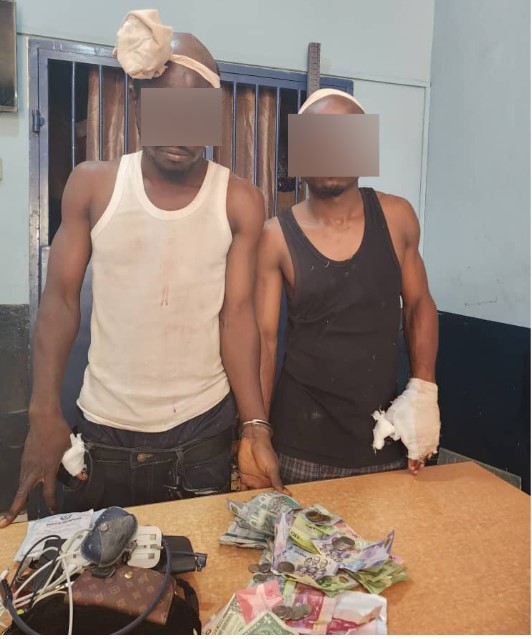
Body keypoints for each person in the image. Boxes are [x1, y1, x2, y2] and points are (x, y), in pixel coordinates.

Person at [0, 10, 284, 527]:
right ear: (137, 106)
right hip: (104, 433)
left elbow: (238, 317)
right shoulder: (93, 185)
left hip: (202, 435)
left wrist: (255, 426)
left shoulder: (240, 200)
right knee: (96, 573)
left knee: (201, 570)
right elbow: (59, 302)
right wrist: (43, 412)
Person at [256, 88, 440, 485]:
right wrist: (256, 433)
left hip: (384, 438)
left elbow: (419, 304)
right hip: (300, 450)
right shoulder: (275, 236)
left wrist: (423, 394)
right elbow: (264, 342)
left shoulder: (397, 217)